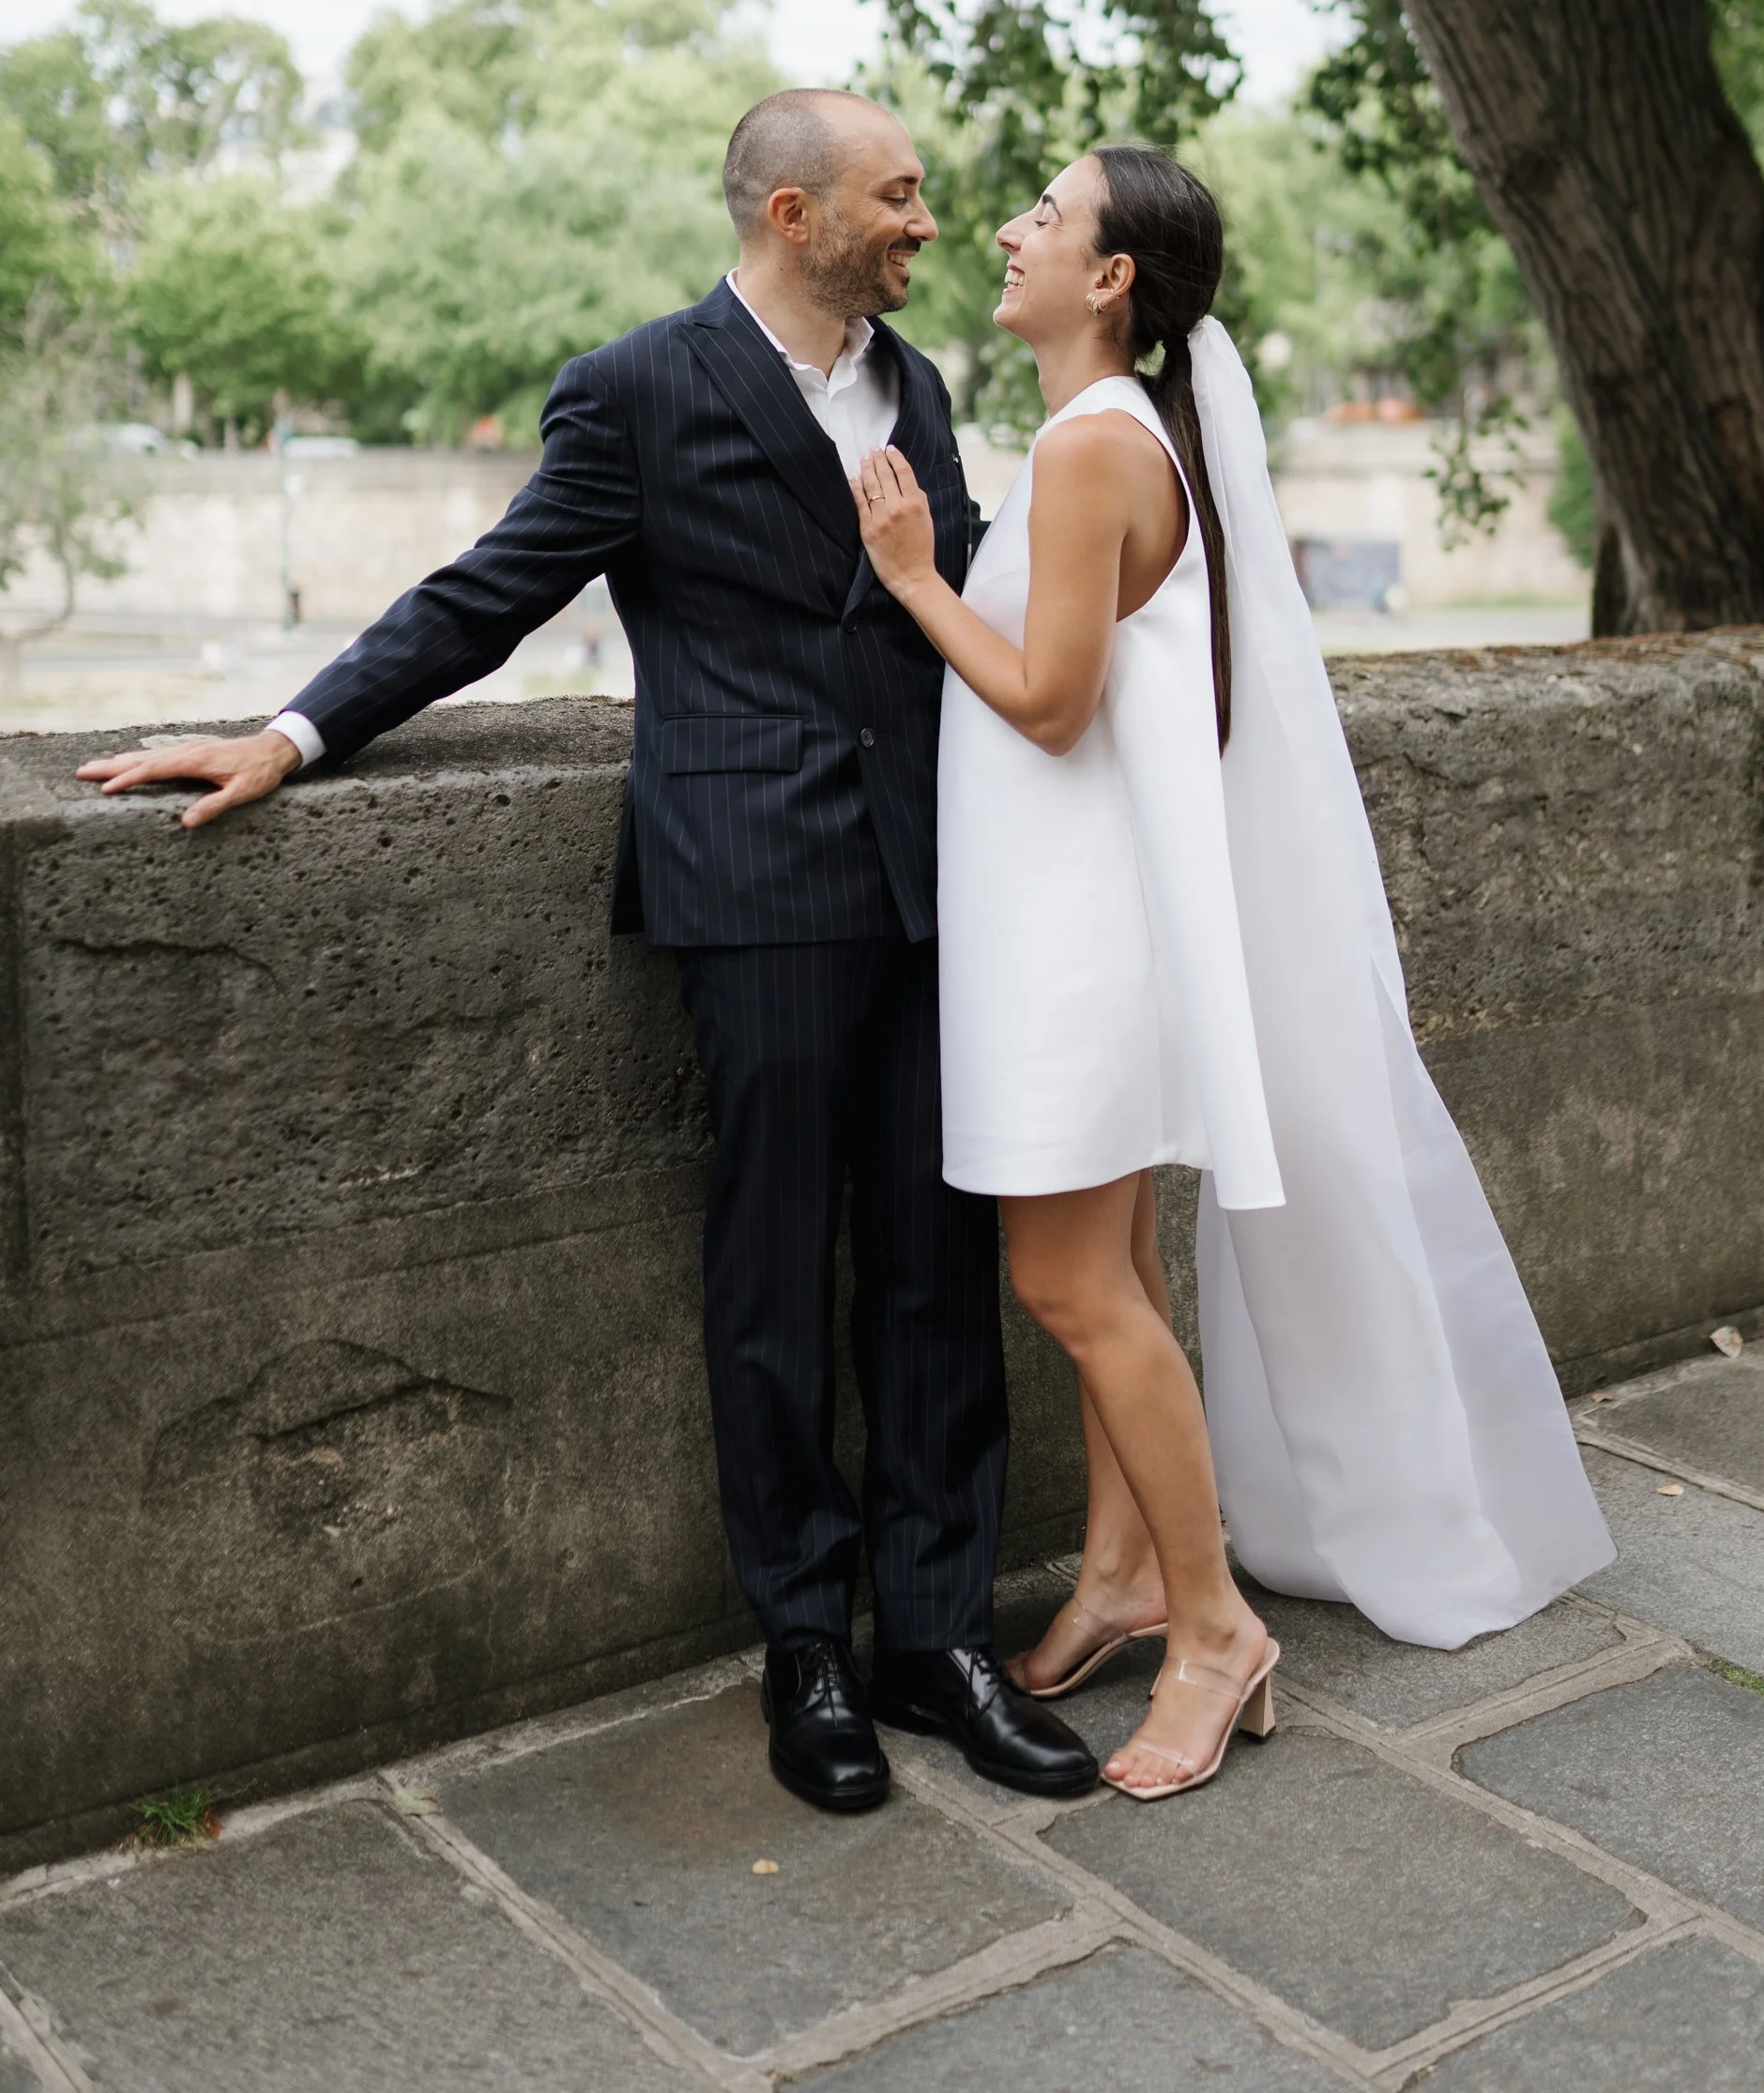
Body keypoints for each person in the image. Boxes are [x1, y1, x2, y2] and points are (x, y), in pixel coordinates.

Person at [76, 90, 1098, 1816]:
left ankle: (937, 1636)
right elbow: (493, 589)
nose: (928, 224)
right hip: (753, 874)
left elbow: (969, 596)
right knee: (774, 1272)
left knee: (938, 1263)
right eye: (898, 199)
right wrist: (297, 730)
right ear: (795, 212)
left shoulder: (915, 389)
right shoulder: (637, 387)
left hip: (937, 877)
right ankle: (807, 1649)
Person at [850, 143, 1614, 1802]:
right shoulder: (1115, 436)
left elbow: (1049, 701)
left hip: (1066, 947)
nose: (1008, 230)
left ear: (1111, 278)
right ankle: (1127, 1573)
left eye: (1044, 217)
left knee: (1070, 1286)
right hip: (1074, 916)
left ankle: (1214, 1628)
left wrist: (911, 577)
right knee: (1110, 1260)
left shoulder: (1091, 450)